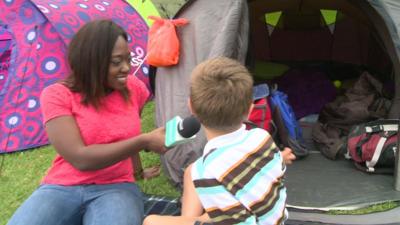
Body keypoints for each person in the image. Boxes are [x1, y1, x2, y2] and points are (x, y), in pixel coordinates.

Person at [7, 19, 167, 225]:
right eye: (116, 62)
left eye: (128, 59)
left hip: (116, 186)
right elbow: (80, 158)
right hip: (63, 186)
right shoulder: (57, 95)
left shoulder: (132, 88)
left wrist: (137, 172)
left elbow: (130, 135)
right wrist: (144, 141)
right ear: (91, 60)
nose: (126, 68)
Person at [143, 57, 296, 225]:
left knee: (150, 221)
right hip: (267, 219)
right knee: (191, 172)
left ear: (191, 107)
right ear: (250, 108)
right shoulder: (261, 137)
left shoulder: (205, 172)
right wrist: (280, 157)